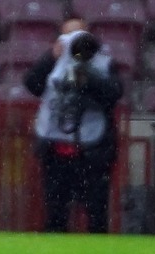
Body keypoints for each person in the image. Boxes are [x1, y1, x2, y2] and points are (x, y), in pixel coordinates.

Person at [23, 18, 124, 233]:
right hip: (55, 148)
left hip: (93, 151)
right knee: (56, 212)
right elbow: (32, 83)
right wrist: (51, 57)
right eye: (68, 37)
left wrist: (87, 76)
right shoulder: (51, 63)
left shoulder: (103, 63)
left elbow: (114, 93)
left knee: (96, 213)